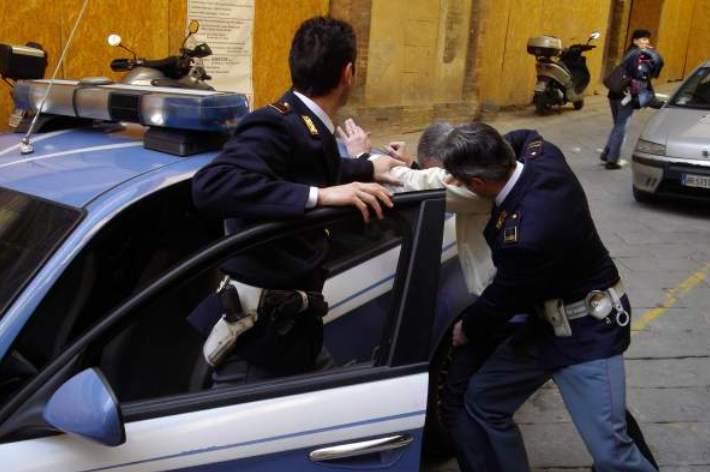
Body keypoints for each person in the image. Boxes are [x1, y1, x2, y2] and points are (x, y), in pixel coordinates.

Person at [358, 120, 657, 471]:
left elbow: (502, 298)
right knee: (484, 402)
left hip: (585, 334)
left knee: (610, 450)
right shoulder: (543, 156)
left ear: (479, 183)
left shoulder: (528, 233)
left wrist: (466, 328)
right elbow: (522, 136)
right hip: (543, 324)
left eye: (462, 181)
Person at [189, 16, 404, 385]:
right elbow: (212, 184)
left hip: (294, 331)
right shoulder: (276, 123)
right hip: (259, 347)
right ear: (348, 73)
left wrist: (369, 168)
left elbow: (307, 167)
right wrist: (320, 195)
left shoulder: (308, 122)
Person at [602, 29, 663, 170]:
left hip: (614, 93)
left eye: (647, 39)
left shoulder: (629, 52)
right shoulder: (640, 55)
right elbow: (648, 72)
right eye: (642, 39)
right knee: (621, 127)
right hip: (626, 96)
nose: (646, 42)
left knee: (618, 125)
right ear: (635, 41)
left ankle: (607, 153)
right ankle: (612, 160)